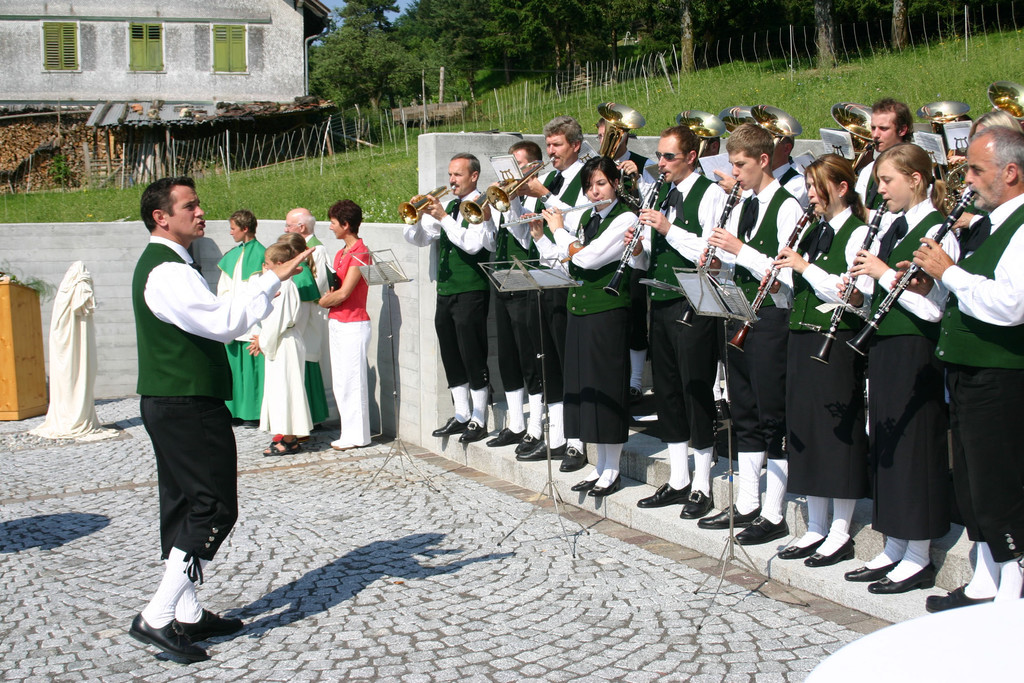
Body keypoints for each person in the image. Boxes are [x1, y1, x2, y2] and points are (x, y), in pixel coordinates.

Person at [130, 176, 309, 662]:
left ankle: (187, 613)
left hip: (173, 400)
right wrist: (273, 279)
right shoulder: (167, 271)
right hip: (186, 403)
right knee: (213, 508)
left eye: (199, 203)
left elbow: (219, 310)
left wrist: (267, 280)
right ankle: (157, 616)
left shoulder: (174, 264)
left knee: (185, 506)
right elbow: (223, 322)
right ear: (161, 217)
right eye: (189, 206)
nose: (200, 212)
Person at [911, 127, 1024, 611]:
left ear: (1011, 172)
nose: (968, 180)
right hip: (967, 370)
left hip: (999, 375)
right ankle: (987, 583)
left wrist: (947, 272)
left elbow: (1011, 305)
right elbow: (966, 295)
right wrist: (925, 288)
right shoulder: (988, 223)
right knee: (975, 484)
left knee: (1000, 485)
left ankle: (1011, 596)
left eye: (977, 170)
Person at [846, 142, 956, 593]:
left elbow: (934, 307)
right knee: (887, 440)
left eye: (887, 181)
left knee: (915, 446)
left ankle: (919, 553)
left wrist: (883, 273)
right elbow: (884, 287)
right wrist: (857, 288)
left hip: (917, 347)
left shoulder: (938, 229)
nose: (881, 191)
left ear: (915, 179)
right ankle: (894, 543)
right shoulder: (894, 225)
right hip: (887, 343)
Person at [702, 122, 804, 545]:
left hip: (772, 320)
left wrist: (739, 250)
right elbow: (740, 263)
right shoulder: (744, 203)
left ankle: (775, 510)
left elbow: (787, 274)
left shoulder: (787, 205)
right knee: (742, 410)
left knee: (770, 415)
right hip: (739, 313)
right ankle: (747, 501)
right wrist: (718, 265)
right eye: (732, 164)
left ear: (764, 160)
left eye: (741, 165)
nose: (735, 173)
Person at [772, 155, 871, 567]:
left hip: (835, 341)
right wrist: (781, 277)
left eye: (817, 187)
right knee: (806, 430)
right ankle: (814, 525)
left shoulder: (860, 231)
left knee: (836, 434)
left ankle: (840, 530)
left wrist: (805, 267)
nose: (810, 194)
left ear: (841, 188)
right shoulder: (815, 230)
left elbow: (856, 294)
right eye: (809, 186)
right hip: (801, 338)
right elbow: (799, 288)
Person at [627, 125, 725, 519]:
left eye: (668, 157)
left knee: (694, 388)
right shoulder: (661, 192)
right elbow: (651, 254)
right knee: (666, 390)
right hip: (662, 298)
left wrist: (668, 229)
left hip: (695, 302)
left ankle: (702, 481)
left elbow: (712, 251)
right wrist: (636, 248)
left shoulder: (711, 193)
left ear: (691, 157)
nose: (660, 164)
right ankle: (679, 477)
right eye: (659, 156)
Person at [533, 156, 637, 497]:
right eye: (590, 186)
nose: (594, 193)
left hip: (607, 312)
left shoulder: (625, 218)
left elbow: (588, 259)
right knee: (586, 391)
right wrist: (540, 237)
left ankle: (613, 470)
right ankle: (600, 467)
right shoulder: (591, 220)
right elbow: (570, 267)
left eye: (601, 185)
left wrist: (560, 229)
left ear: (615, 185)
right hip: (580, 310)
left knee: (607, 389)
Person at [404, 153, 496, 443]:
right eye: (450, 174)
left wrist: (442, 217)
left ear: (474, 176)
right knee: (451, 353)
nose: (451, 180)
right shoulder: (450, 206)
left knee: (473, 352)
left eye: (457, 174)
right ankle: (461, 414)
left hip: (471, 288)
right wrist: (416, 218)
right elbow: (417, 240)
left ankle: (479, 418)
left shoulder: (481, 204)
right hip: (445, 290)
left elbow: (471, 245)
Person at [518, 115, 591, 471]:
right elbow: (531, 231)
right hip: (544, 273)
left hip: (571, 279)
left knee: (569, 361)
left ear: (575, 145)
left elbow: (578, 225)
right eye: (548, 145)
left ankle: (578, 441)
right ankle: (558, 436)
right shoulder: (548, 178)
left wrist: (545, 195)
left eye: (557, 145)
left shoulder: (587, 179)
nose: (551, 152)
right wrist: (518, 203)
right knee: (549, 361)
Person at [489, 141, 544, 454]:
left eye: (519, 166)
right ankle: (516, 422)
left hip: (526, 281)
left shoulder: (532, 200)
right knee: (507, 354)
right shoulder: (506, 200)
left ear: (533, 167)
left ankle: (535, 425)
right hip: (501, 278)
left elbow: (524, 239)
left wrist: (511, 201)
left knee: (528, 355)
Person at [597, 116, 654, 404]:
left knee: (634, 313)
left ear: (627, 137)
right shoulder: (595, 165)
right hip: (603, 245)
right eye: (602, 136)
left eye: (613, 136)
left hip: (634, 245)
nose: (605, 142)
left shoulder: (645, 166)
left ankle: (635, 382)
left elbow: (653, 205)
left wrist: (638, 178)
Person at [319, 199, 373, 451]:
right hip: (338, 321)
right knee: (341, 380)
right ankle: (347, 432)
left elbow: (344, 293)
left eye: (333, 222)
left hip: (354, 323)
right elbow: (337, 289)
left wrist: (323, 301)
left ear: (346, 224)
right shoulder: (341, 253)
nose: (330, 227)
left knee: (354, 380)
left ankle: (359, 435)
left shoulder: (361, 252)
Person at [254, 242, 313, 455]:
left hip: (284, 341)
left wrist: (262, 341)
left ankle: (289, 439)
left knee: (287, 389)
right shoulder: (279, 285)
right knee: (281, 389)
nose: (265, 268)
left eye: (268, 265)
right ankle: (288, 436)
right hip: (282, 340)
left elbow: (277, 320)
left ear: (280, 264)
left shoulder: (285, 286)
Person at [216, 209, 265, 424]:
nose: (230, 233)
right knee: (234, 368)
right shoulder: (232, 256)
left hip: (254, 321)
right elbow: (223, 288)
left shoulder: (264, 255)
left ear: (245, 229)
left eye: (233, 228)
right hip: (232, 316)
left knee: (252, 370)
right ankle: (233, 411)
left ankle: (253, 413)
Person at [284, 208, 331, 427]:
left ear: (301, 228)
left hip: (312, 312)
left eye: (288, 226)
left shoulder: (317, 250)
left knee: (311, 362)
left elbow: (319, 284)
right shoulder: (302, 249)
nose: (285, 229)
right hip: (304, 311)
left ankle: (315, 417)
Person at [855, 98, 915, 211]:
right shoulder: (868, 170)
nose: (875, 135)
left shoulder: (915, 167)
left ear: (902, 130)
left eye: (883, 128)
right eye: (873, 128)